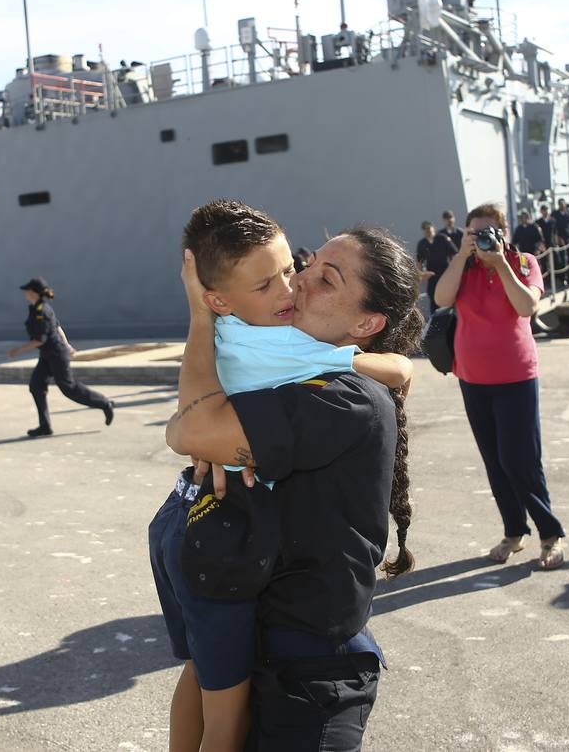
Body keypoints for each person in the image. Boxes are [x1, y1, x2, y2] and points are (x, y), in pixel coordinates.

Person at [149, 200, 412, 752]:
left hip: (305, 667)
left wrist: (211, 435)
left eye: (321, 278)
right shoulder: (290, 351)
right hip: (268, 622)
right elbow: (195, 428)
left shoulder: (341, 396)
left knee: (207, 679)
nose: (298, 284)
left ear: (366, 323)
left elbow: (186, 431)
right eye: (307, 263)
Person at [434, 203, 566, 569]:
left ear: (504, 233)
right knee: (494, 462)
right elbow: (442, 298)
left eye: (489, 232)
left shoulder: (523, 263)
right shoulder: (463, 267)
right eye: (475, 233)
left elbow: (526, 307)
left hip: (516, 376)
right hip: (473, 378)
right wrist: (462, 256)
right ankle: (513, 532)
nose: (482, 239)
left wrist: (501, 264)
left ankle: (550, 534)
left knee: (520, 460)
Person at [7, 277, 114, 437]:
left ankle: (105, 403)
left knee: (68, 388)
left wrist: (17, 350)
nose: (25, 293)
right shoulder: (37, 308)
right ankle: (45, 426)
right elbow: (57, 328)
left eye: (27, 290)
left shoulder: (42, 311)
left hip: (56, 354)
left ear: (34, 293)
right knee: (36, 386)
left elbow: (39, 340)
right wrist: (68, 345)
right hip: (48, 354)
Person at [416, 220, 458, 317]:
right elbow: (419, 261)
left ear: (433, 228)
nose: (428, 231)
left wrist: (454, 269)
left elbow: (454, 253)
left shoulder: (442, 238)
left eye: (429, 228)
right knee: (433, 298)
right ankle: (436, 322)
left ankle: (455, 318)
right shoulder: (422, 244)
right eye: (425, 230)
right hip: (432, 276)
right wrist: (420, 274)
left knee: (451, 296)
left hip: (446, 274)